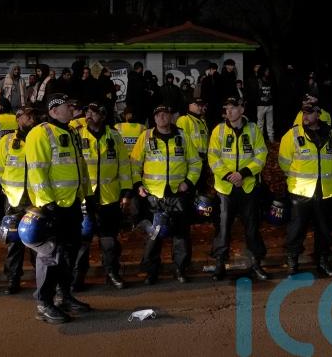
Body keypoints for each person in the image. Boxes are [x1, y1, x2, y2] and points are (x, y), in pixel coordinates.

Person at [25, 93, 92, 323]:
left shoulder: (72, 131)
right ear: (54, 111)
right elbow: (36, 170)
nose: (72, 108)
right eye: (68, 105)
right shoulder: (40, 133)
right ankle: (44, 303)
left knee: (69, 253)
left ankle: (64, 296)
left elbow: (80, 166)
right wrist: (47, 203)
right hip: (52, 207)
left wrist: (86, 195)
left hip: (72, 203)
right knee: (50, 255)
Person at [131, 105, 201, 284]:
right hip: (154, 194)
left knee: (181, 235)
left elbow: (195, 163)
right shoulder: (145, 137)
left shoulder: (183, 137)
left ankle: (180, 269)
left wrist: (189, 182)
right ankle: (151, 272)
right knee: (154, 235)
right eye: (158, 114)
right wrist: (138, 185)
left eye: (165, 114)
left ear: (171, 116)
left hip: (178, 194)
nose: (162, 117)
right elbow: (134, 165)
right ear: (154, 118)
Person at [207, 97, 269, 281]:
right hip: (225, 189)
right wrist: (230, 176)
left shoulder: (253, 129)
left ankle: (256, 263)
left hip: (247, 186)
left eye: (233, 108)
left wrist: (243, 174)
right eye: (227, 109)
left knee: (252, 228)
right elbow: (213, 158)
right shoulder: (218, 130)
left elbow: (261, 155)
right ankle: (219, 263)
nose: (229, 112)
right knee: (223, 228)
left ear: (242, 109)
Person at [73, 102, 132, 290]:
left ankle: (112, 273)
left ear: (104, 115)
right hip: (85, 197)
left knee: (109, 241)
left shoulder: (114, 136)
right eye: (87, 112)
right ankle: (77, 277)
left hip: (109, 197)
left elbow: (124, 165)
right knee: (82, 241)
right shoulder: (77, 134)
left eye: (94, 112)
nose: (89, 115)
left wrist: (126, 192)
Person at [278, 101, 332, 278]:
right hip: (301, 191)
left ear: (318, 114)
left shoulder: (330, 134)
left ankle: (323, 261)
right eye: (304, 113)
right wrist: (295, 178)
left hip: (325, 190)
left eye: (310, 113)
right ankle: (292, 261)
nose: (306, 116)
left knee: (325, 230)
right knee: (296, 229)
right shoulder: (292, 135)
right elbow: (283, 161)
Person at [0, 104, 41, 294]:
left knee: (38, 239)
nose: (32, 120)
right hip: (15, 200)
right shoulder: (7, 141)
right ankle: (13, 279)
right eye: (28, 117)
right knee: (14, 242)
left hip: (36, 199)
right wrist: (7, 188)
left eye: (34, 116)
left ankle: (41, 277)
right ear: (18, 118)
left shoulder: (39, 138)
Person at [256, 66, 276, 142]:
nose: (267, 72)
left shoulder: (270, 80)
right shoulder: (258, 80)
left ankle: (271, 140)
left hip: (269, 104)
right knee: (260, 124)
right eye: (266, 71)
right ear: (262, 71)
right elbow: (256, 92)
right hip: (261, 105)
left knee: (270, 123)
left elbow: (272, 91)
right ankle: (260, 141)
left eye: (268, 71)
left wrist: (269, 97)